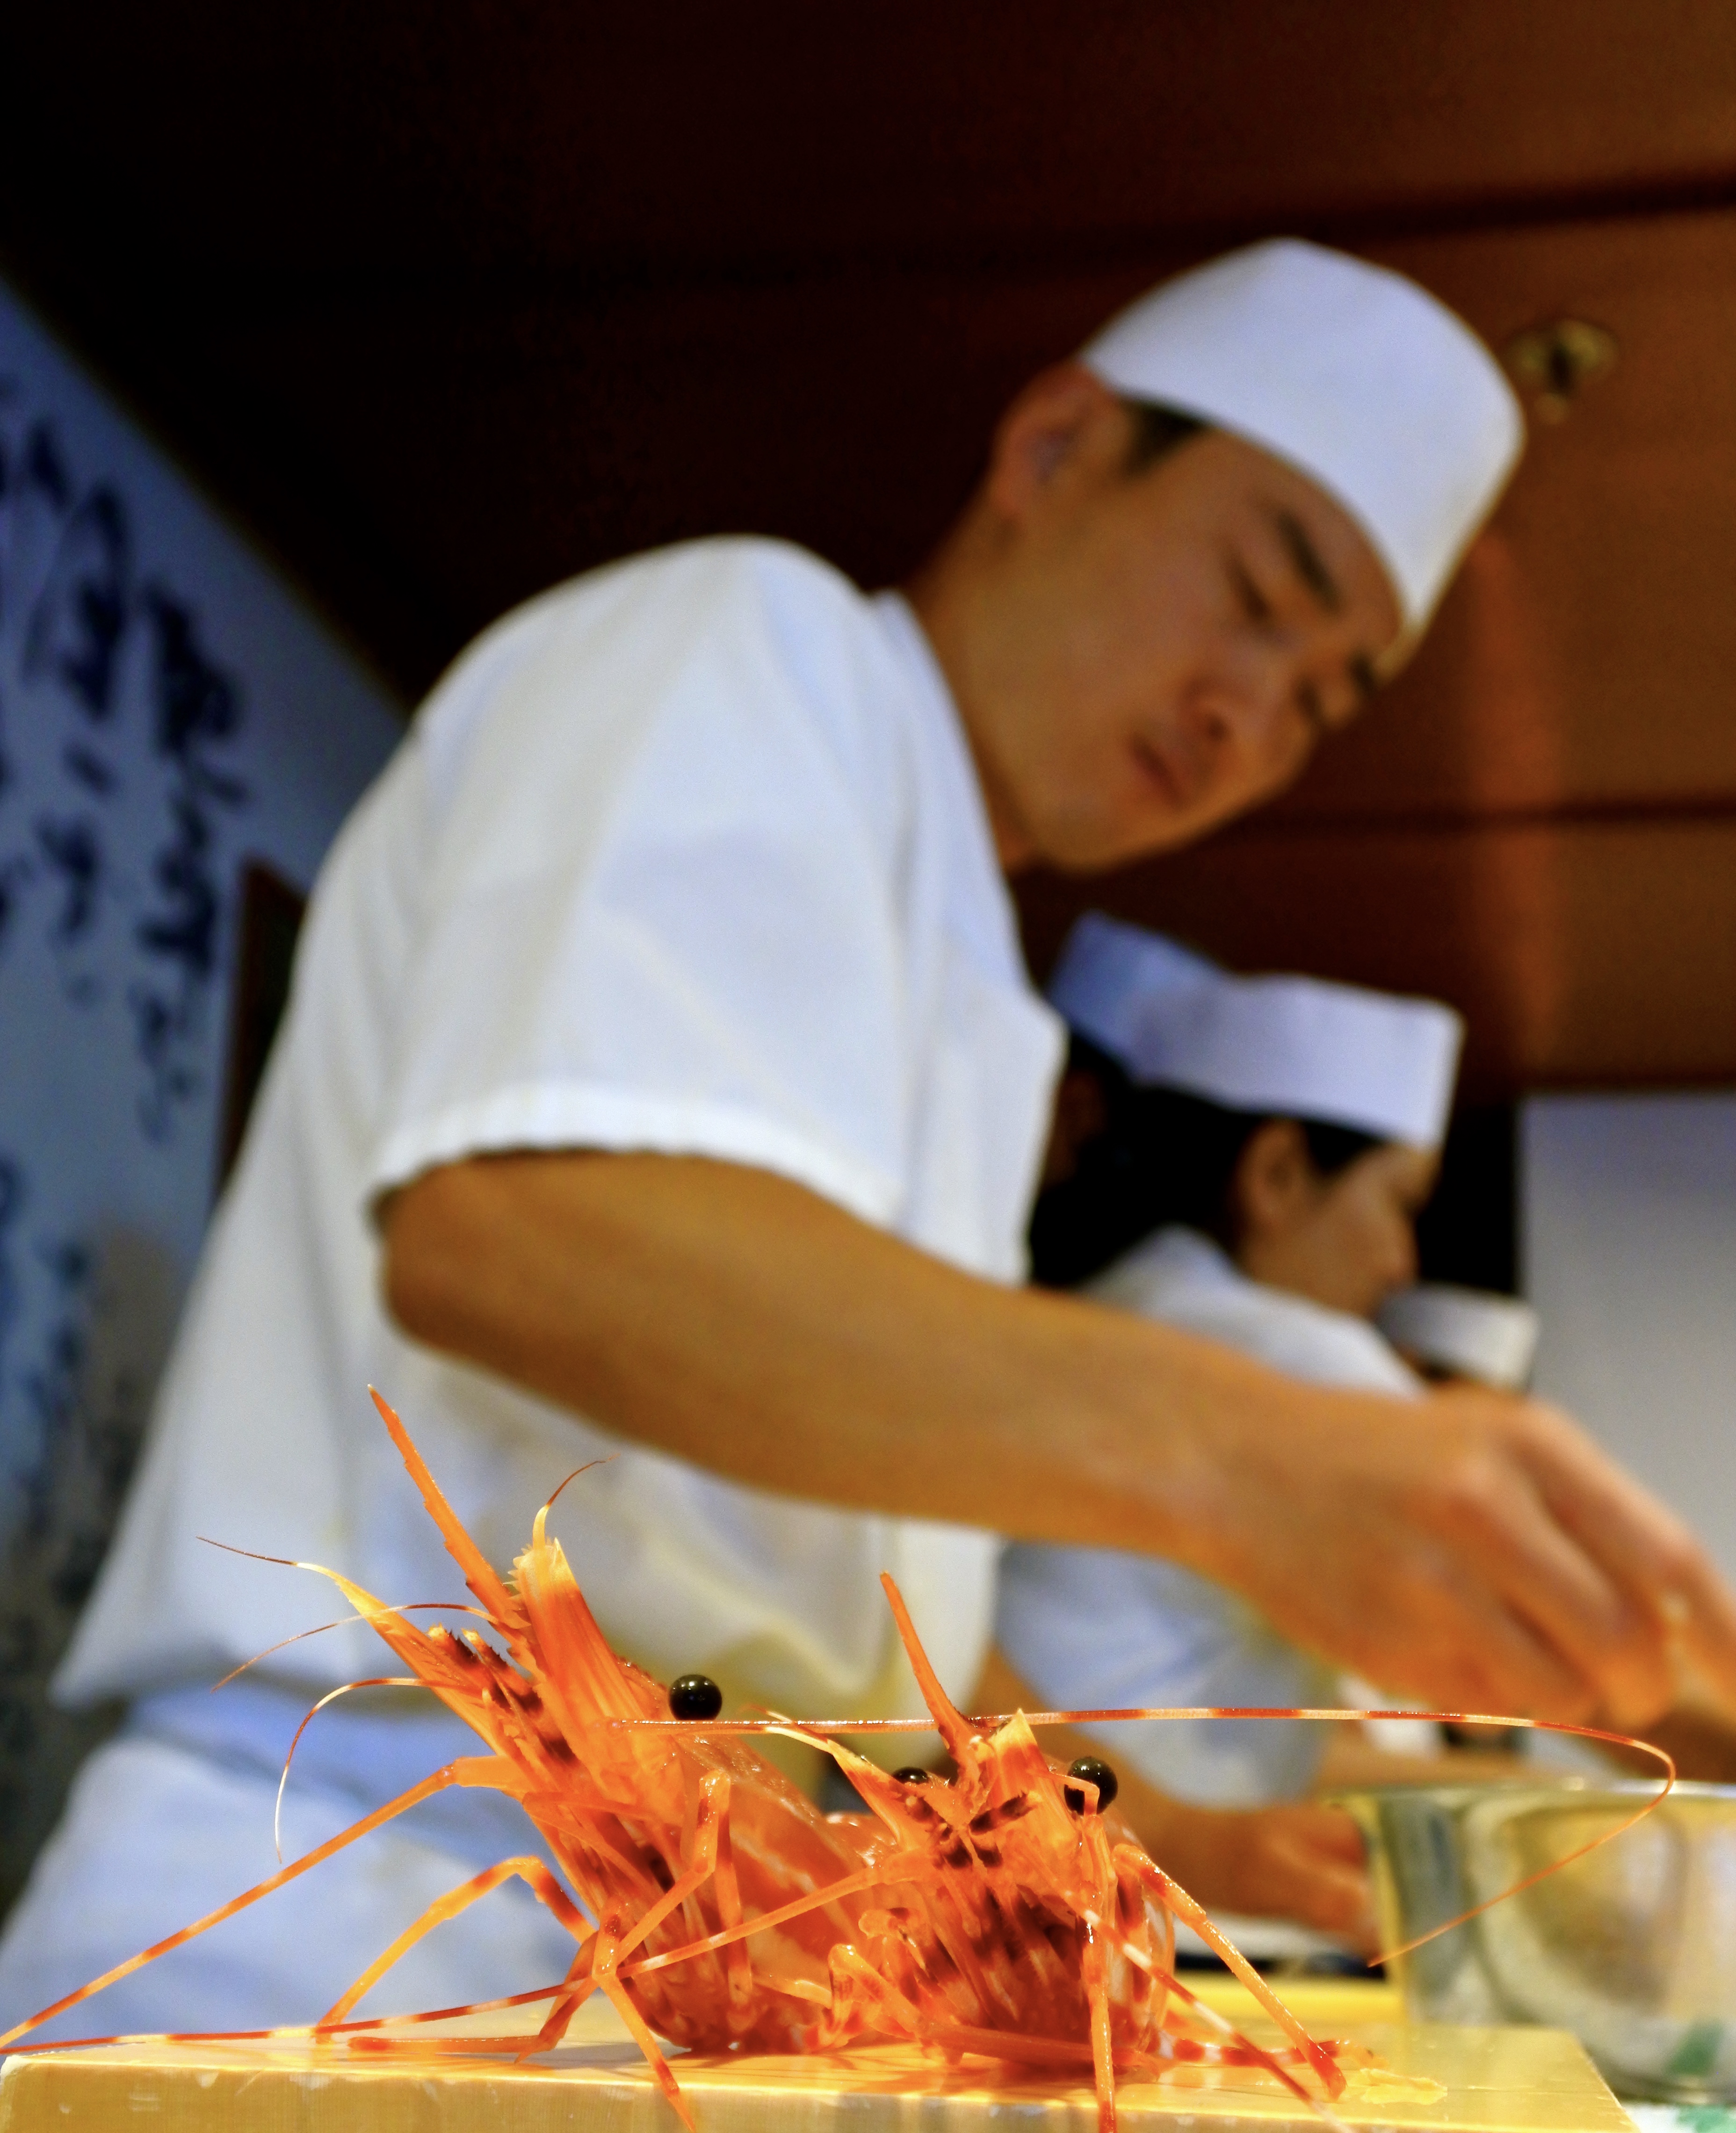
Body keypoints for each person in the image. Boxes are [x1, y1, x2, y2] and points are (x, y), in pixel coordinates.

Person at [6, 238, 1734, 2037]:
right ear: (1055, 446)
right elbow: (522, 1231)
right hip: (343, 1890)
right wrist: (1248, 1457)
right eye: (1257, 586)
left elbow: (852, 1600)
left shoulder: (973, 983)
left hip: (678, 1950)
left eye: (1319, 695)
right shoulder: (751, 643)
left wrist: (1167, 1826)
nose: (1250, 708)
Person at [1001, 916, 1467, 1859]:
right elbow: (1589, 1633)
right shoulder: (1293, 1359)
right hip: (1139, 1908)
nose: (1400, 1262)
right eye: (1398, 1205)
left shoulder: (1115, 1308)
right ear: (1277, 1175)